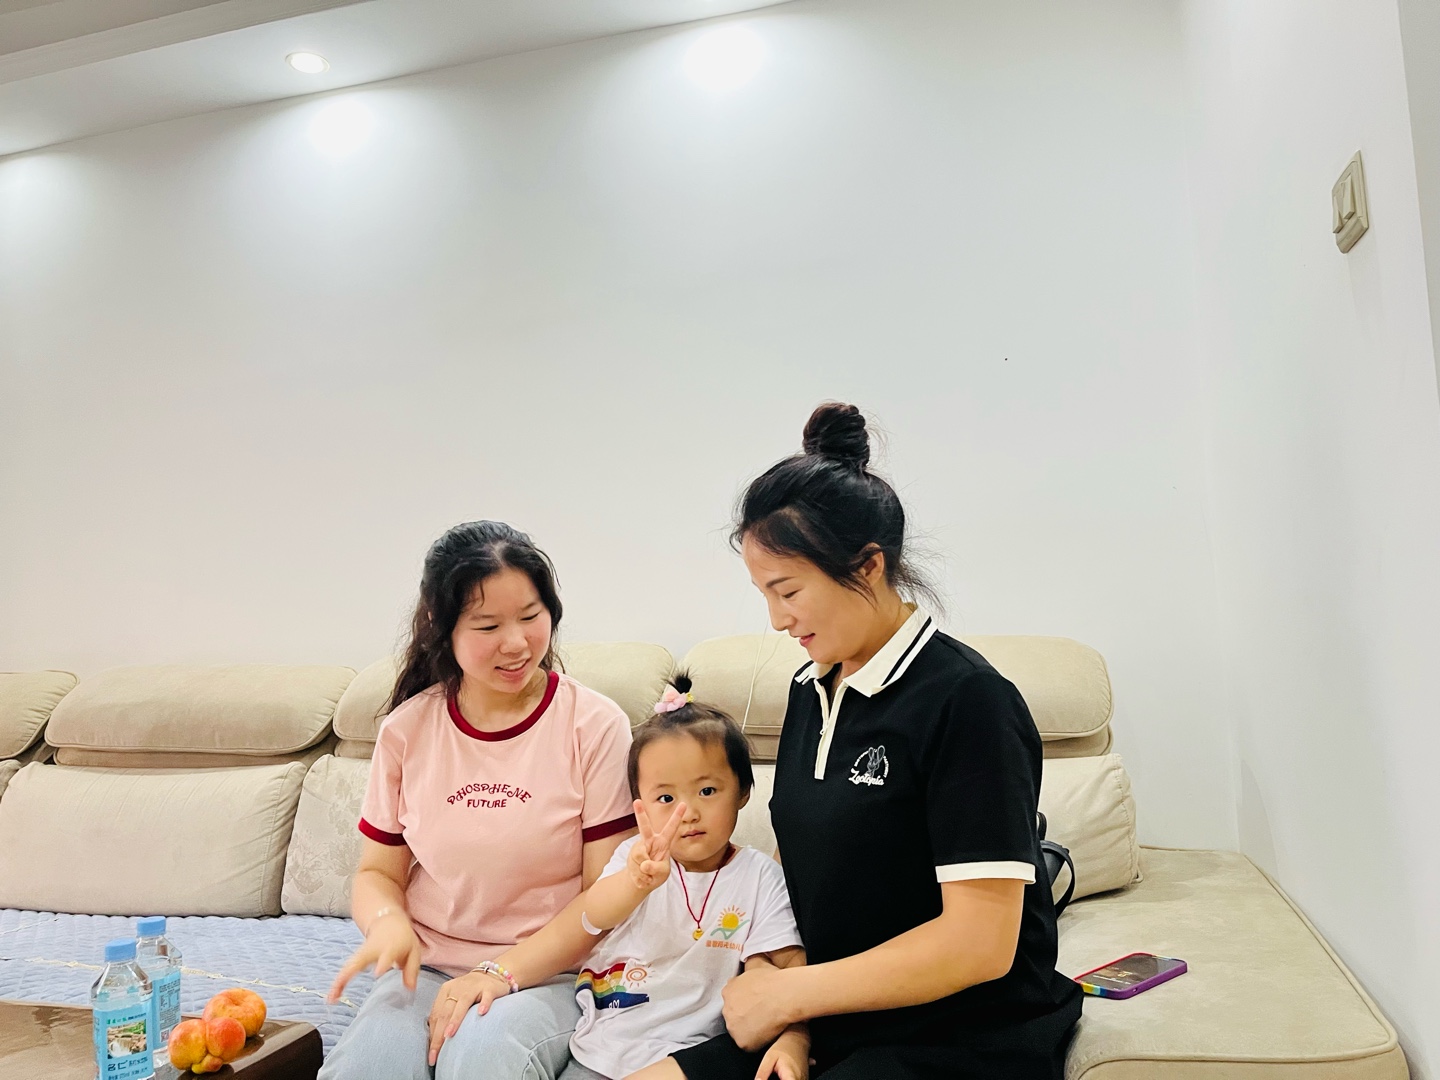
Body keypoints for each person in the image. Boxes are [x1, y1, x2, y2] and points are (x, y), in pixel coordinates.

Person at [720, 403, 1083, 1080]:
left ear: (867, 566)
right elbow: (804, 882)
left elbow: (980, 943)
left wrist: (790, 998)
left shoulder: (968, 700)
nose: (776, 619)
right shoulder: (809, 689)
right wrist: (788, 1013)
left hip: (959, 1029)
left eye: (787, 591)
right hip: (832, 1014)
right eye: (763, 593)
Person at [321, 521, 638, 1080]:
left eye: (531, 616)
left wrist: (498, 973)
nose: (515, 643)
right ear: (440, 628)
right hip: (428, 969)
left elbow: (603, 898)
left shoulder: (594, 725)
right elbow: (377, 873)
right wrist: (388, 923)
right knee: (367, 1069)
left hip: (551, 973)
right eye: (488, 625)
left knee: (481, 1059)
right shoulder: (407, 730)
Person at [454, 678, 809, 1080]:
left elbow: (787, 964)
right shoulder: (634, 859)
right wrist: (635, 882)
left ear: (744, 791)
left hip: (691, 1056)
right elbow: (594, 913)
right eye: (666, 798)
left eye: (707, 791)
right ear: (640, 804)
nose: (688, 813)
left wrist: (794, 1037)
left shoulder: (762, 876)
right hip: (601, 1044)